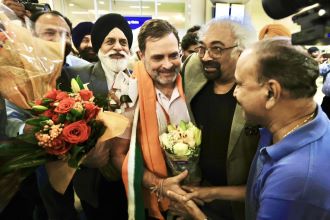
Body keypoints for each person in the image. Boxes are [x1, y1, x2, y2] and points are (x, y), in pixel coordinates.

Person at [173, 18, 259, 220]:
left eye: (217, 49)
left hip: (238, 202)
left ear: (241, 51)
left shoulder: (257, 90)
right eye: (202, 48)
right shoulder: (192, 67)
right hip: (196, 193)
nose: (205, 57)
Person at [235, 38, 330, 219]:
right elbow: (262, 192)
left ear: (271, 93)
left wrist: (194, 214)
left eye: (240, 84)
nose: (235, 93)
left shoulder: (296, 177)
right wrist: (210, 193)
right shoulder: (305, 122)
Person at [65, 13, 135, 220]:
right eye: (110, 41)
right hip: (94, 180)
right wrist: (85, 159)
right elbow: (60, 128)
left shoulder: (139, 79)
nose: (118, 47)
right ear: (98, 47)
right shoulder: (76, 75)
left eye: (123, 42)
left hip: (130, 177)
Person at [122, 19, 192, 220]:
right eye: (158, 58)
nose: (167, 64)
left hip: (197, 194)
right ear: (140, 56)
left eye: (173, 55)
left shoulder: (194, 83)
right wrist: (160, 184)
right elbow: (119, 156)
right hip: (155, 198)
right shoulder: (127, 93)